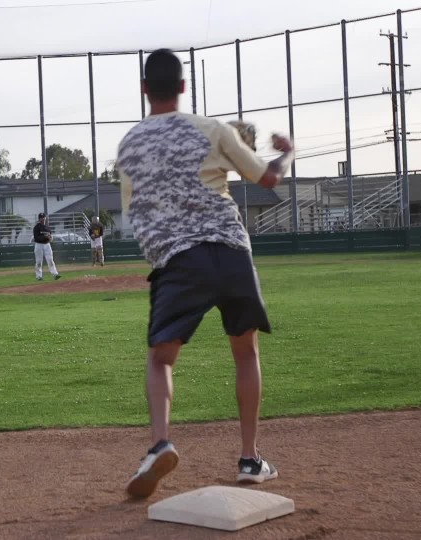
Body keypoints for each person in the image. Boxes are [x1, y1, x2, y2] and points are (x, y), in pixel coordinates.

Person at [116, 49, 295, 499]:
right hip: (231, 250)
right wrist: (286, 155)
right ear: (181, 88)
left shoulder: (129, 145)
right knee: (245, 351)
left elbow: (132, 212)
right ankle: (251, 460)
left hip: (179, 260)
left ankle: (159, 444)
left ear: (143, 89)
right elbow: (266, 179)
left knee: (161, 358)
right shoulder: (213, 128)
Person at [33, 212, 60, 281]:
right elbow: (36, 238)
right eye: (41, 218)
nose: (43, 219)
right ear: (39, 219)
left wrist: (50, 238)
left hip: (47, 245)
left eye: (44, 217)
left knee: (50, 260)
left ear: (45, 218)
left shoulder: (47, 227)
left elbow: (50, 236)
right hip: (39, 245)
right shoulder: (36, 227)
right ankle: (39, 276)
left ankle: (55, 274)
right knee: (39, 261)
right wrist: (45, 237)